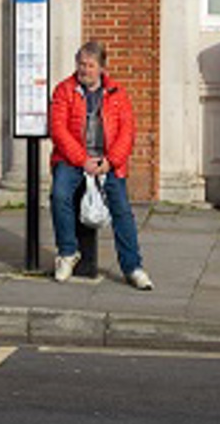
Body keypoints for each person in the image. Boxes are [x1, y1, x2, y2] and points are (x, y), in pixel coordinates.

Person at [48, 41, 152, 290]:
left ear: (102, 68)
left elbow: (127, 132)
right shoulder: (64, 90)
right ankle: (67, 253)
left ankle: (133, 267)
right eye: (81, 64)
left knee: (122, 211)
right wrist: (81, 159)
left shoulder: (118, 93)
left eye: (90, 65)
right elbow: (58, 130)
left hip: (108, 161)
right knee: (59, 195)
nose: (84, 70)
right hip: (72, 160)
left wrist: (111, 161)